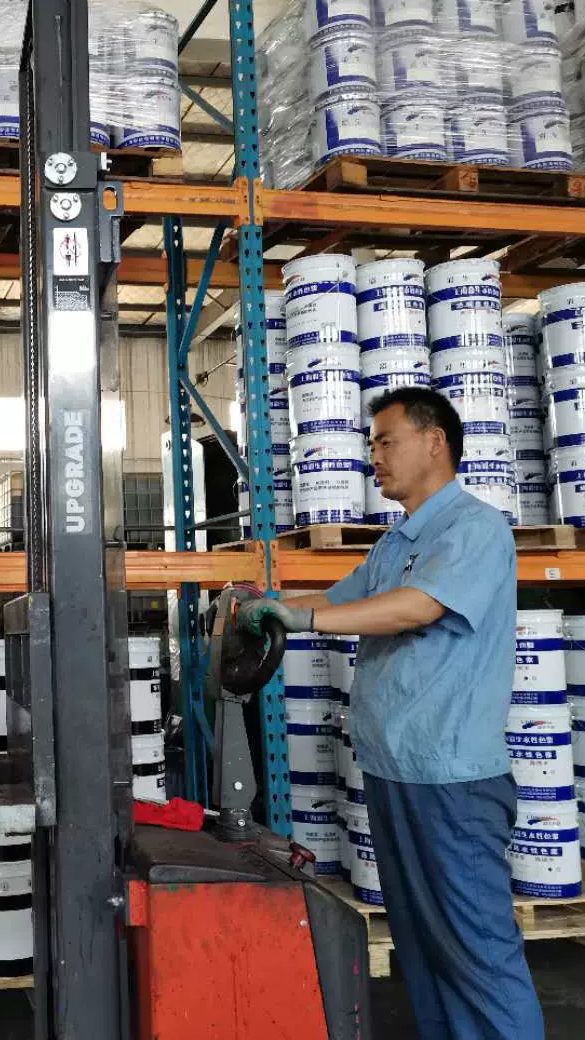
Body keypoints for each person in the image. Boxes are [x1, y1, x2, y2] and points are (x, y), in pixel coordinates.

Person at [239, 386, 543, 1040]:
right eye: (372, 444)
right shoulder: (396, 541)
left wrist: (300, 618)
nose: (373, 456)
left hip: (452, 781)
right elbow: (338, 599)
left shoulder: (474, 528)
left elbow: (418, 607)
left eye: (385, 441)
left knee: (476, 949)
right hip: (393, 771)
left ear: (434, 442)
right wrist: (264, 604)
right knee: (422, 945)